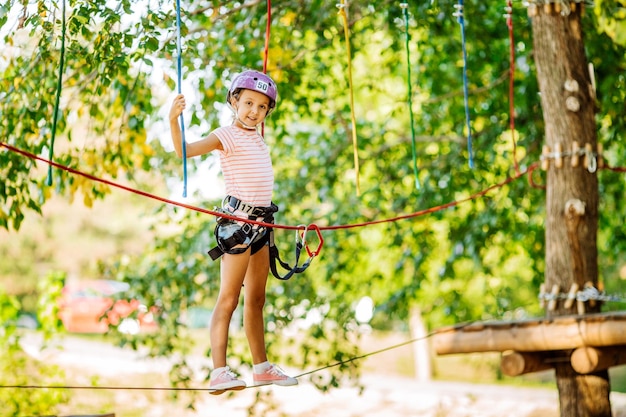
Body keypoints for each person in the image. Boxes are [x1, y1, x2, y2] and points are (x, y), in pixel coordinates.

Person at [169, 70, 298, 394]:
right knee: (229, 298)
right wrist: (174, 120)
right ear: (234, 101)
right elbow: (184, 151)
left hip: (262, 227)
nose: (255, 111)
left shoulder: (257, 136)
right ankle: (219, 371)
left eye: (262, 107)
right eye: (249, 103)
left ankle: (262, 367)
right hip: (238, 228)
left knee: (256, 300)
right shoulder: (225, 134)